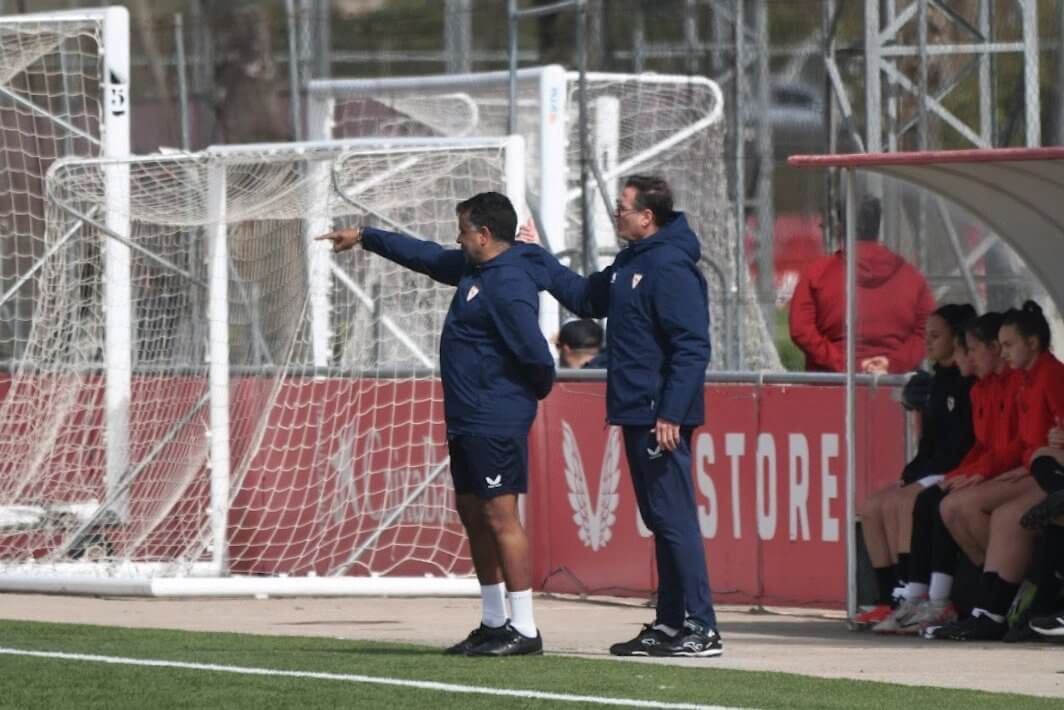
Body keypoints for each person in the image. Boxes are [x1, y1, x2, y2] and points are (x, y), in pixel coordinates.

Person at [317, 192, 555, 657]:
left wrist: (517, 399)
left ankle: (525, 629)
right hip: (465, 417)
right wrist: (365, 236)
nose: (457, 238)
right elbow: (425, 256)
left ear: (484, 235)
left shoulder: (508, 282)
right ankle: (494, 621)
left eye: (463, 230)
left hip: (494, 418)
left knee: (500, 517)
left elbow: (537, 357)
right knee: (472, 514)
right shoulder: (473, 270)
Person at [521, 175, 721, 658]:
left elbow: (692, 347)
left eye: (623, 207)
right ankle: (670, 624)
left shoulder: (669, 266)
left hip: (657, 415)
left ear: (647, 217)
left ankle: (702, 626)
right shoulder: (633, 261)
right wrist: (538, 256)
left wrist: (671, 412)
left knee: (674, 519)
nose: (617, 214)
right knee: (661, 519)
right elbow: (586, 298)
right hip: (636, 411)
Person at [932, 301, 1064, 641]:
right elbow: (1016, 442)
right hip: (1033, 466)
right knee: (953, 506)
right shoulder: (1025, 379)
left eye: (1008, 345)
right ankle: (998, 602)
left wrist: (1040, 454)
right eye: (1001, 345)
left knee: (1006, 516)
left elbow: (1039, 437)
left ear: (1032, 343)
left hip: (1042, 469)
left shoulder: (1050, 373)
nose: (1003, 353)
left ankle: (996, 609)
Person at [854, 303, 976, 629]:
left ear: (957, 339)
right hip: (931, 469)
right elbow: (929, 442)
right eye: (927, 335)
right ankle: (888, 597)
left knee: (904, 502)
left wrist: (923, 478)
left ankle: (912, 593)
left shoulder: (969, 382)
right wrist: (912, 474)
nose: (928, 342)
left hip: (955, 469)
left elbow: (962, 445)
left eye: (936, 336)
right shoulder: (936, 382)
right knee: (872, 506)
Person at [788, 196, 936, 374]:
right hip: (896, 383)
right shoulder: (912, 276)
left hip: (832, 382)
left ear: (840, 227)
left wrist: (844, 364)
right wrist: (892, 364)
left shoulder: (817, 273)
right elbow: (929, 330)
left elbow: (801, 330)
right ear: (878, 226)